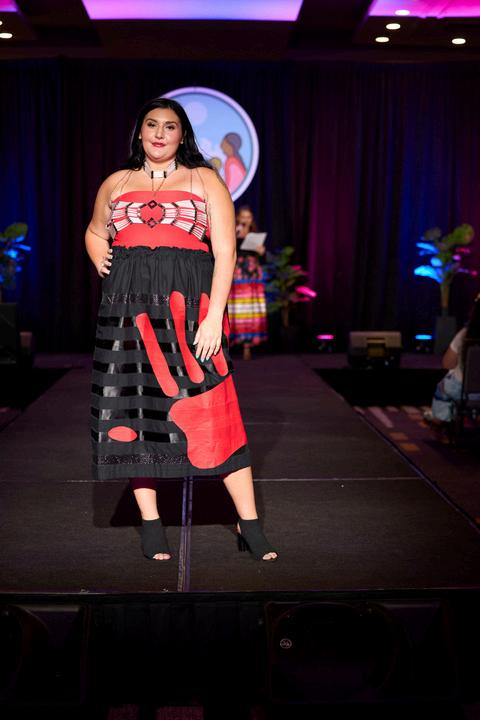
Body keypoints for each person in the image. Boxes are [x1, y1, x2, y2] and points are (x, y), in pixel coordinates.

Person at [85, 97, 277, 562]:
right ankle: (151, 524)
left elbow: (226, 251)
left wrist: (214, 318)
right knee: (135, 413)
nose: (159, 133)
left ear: (182, 134)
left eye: (169, 126)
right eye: (151, 124)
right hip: (128, 311)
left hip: (189, 308)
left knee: (216, 412)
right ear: (140, 131)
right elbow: (94, 231)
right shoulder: (116, 181)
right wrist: (99, 258)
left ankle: (249, 523)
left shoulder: (205, 179)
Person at [427, 294, 480, 427]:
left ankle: (440, 418)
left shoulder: (465, 335)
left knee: (445, 385)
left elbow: (447, 363)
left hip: (465, 392)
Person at [227, 206, 268, 360]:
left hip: (252, 274)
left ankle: (248, 345)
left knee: (251, 308)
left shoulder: (255, 234)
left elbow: (263, 258)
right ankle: (232, 341)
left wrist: (261, 251)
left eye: (248, 217)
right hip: (237, 273)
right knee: (236, 308)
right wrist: (235, 235)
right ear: (238, 218)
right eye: (243, 217)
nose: (245, 220)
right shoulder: (232, 232)